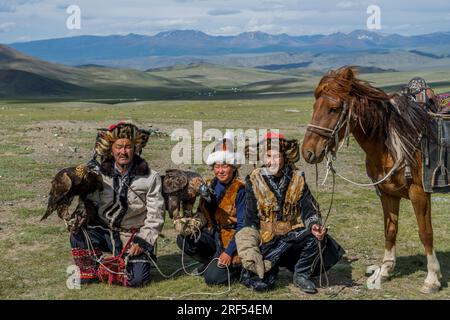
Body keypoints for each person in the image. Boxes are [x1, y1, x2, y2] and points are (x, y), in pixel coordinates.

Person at [236, 132, 344, 293]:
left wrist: (314, 225)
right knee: (263, 284)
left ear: (285, 156)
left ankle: (301, 274)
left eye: (276, 156)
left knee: (316, 236)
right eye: (267, 156)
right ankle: (270, 265)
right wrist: (249, 246)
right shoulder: (253, 179)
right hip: (267, 240)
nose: (271, 161)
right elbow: (250, 218)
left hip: (292, 236)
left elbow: (309, 208)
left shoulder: (297, 178)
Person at [70, 122, 165, 287]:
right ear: (111, 149)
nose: (123, 151)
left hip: (133, 236)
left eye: (128, 147)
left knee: (136, 281)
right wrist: (81, 215)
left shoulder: (150, 177)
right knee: (78, 233)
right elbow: (90, 203)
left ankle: (112, 266)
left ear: (135, 148)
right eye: (119, 147)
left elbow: (156, 215)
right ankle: (94, 269)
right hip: (106, 232)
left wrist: (144, 241)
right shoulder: (99, 175)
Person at [176, 135, 245, 285]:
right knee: (185, 239)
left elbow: (243, 226)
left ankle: (238, 268)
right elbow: (202, 212)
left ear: (233, 167)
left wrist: (228, 252)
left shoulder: (241, 189)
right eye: (217, 166)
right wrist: (190, 221)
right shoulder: (209, 185)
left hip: (232, 240)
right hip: (213, 235)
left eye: (225, 166)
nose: (220, 170)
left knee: (212, 279)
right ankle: (209, 262)